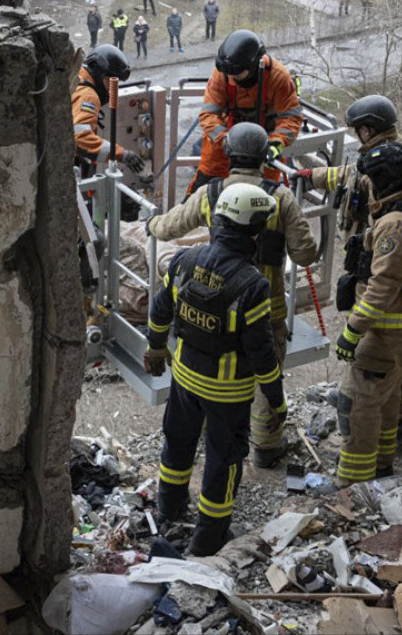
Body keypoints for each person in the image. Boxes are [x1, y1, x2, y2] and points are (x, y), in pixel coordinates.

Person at [146, 123, 317, 467]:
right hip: (266, 307)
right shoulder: (280, 197)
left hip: (219, 302)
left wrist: (151, 224)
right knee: (267, 372)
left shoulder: (211, 193)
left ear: (229, 155)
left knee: (212, 367)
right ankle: (267, 446)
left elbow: (169, 226)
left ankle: (209, 433)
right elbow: (305, 254)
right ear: (263, 156)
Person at [144, 183, 286, 556]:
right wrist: (276, 400)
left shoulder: (184, 260)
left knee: (178, 440)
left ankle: (170, 508)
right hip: (227, 392)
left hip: (185, 378)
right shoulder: (252, 285)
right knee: (223, 461)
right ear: (254, 230)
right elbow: (261, 352)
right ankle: (208, 539)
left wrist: (156, 348)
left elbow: (160, 311)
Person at [293, 95, 402, 433]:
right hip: (393, 274)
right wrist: (314, 176)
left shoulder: (388, 166)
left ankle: (364, 461)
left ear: (368, 130)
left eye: (358, 131)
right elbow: (350, 175)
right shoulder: (396, 154)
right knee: (397, 360)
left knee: (371, 371)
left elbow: (358, 180)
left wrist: (352, 331)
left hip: (383, 266)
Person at [331, 142, 402, 487]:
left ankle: (352, 482)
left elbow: (383, 284)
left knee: (357, 404)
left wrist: (352, 330)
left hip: (383, 332)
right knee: (388, 396)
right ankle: (381, 465)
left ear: (382, 180)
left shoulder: (394, 225)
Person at [188, 29, 302, 196]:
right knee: (205, 183)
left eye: (236, 74)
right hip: (227, 138)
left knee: (264, 192)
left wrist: (276, 143)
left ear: (253, 66)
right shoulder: (224, 73)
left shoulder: (278, 77)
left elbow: (290, 118)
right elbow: (208, 115)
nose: (231, 77)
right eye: (228, 73)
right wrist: (225, 140)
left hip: (265, 142)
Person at [71, 44, 145, 176]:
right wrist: (122, 154)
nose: (111, 90)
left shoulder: (77, 77)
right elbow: (79, 138)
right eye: (109, 82)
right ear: (99, 74)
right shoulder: (88, 95)